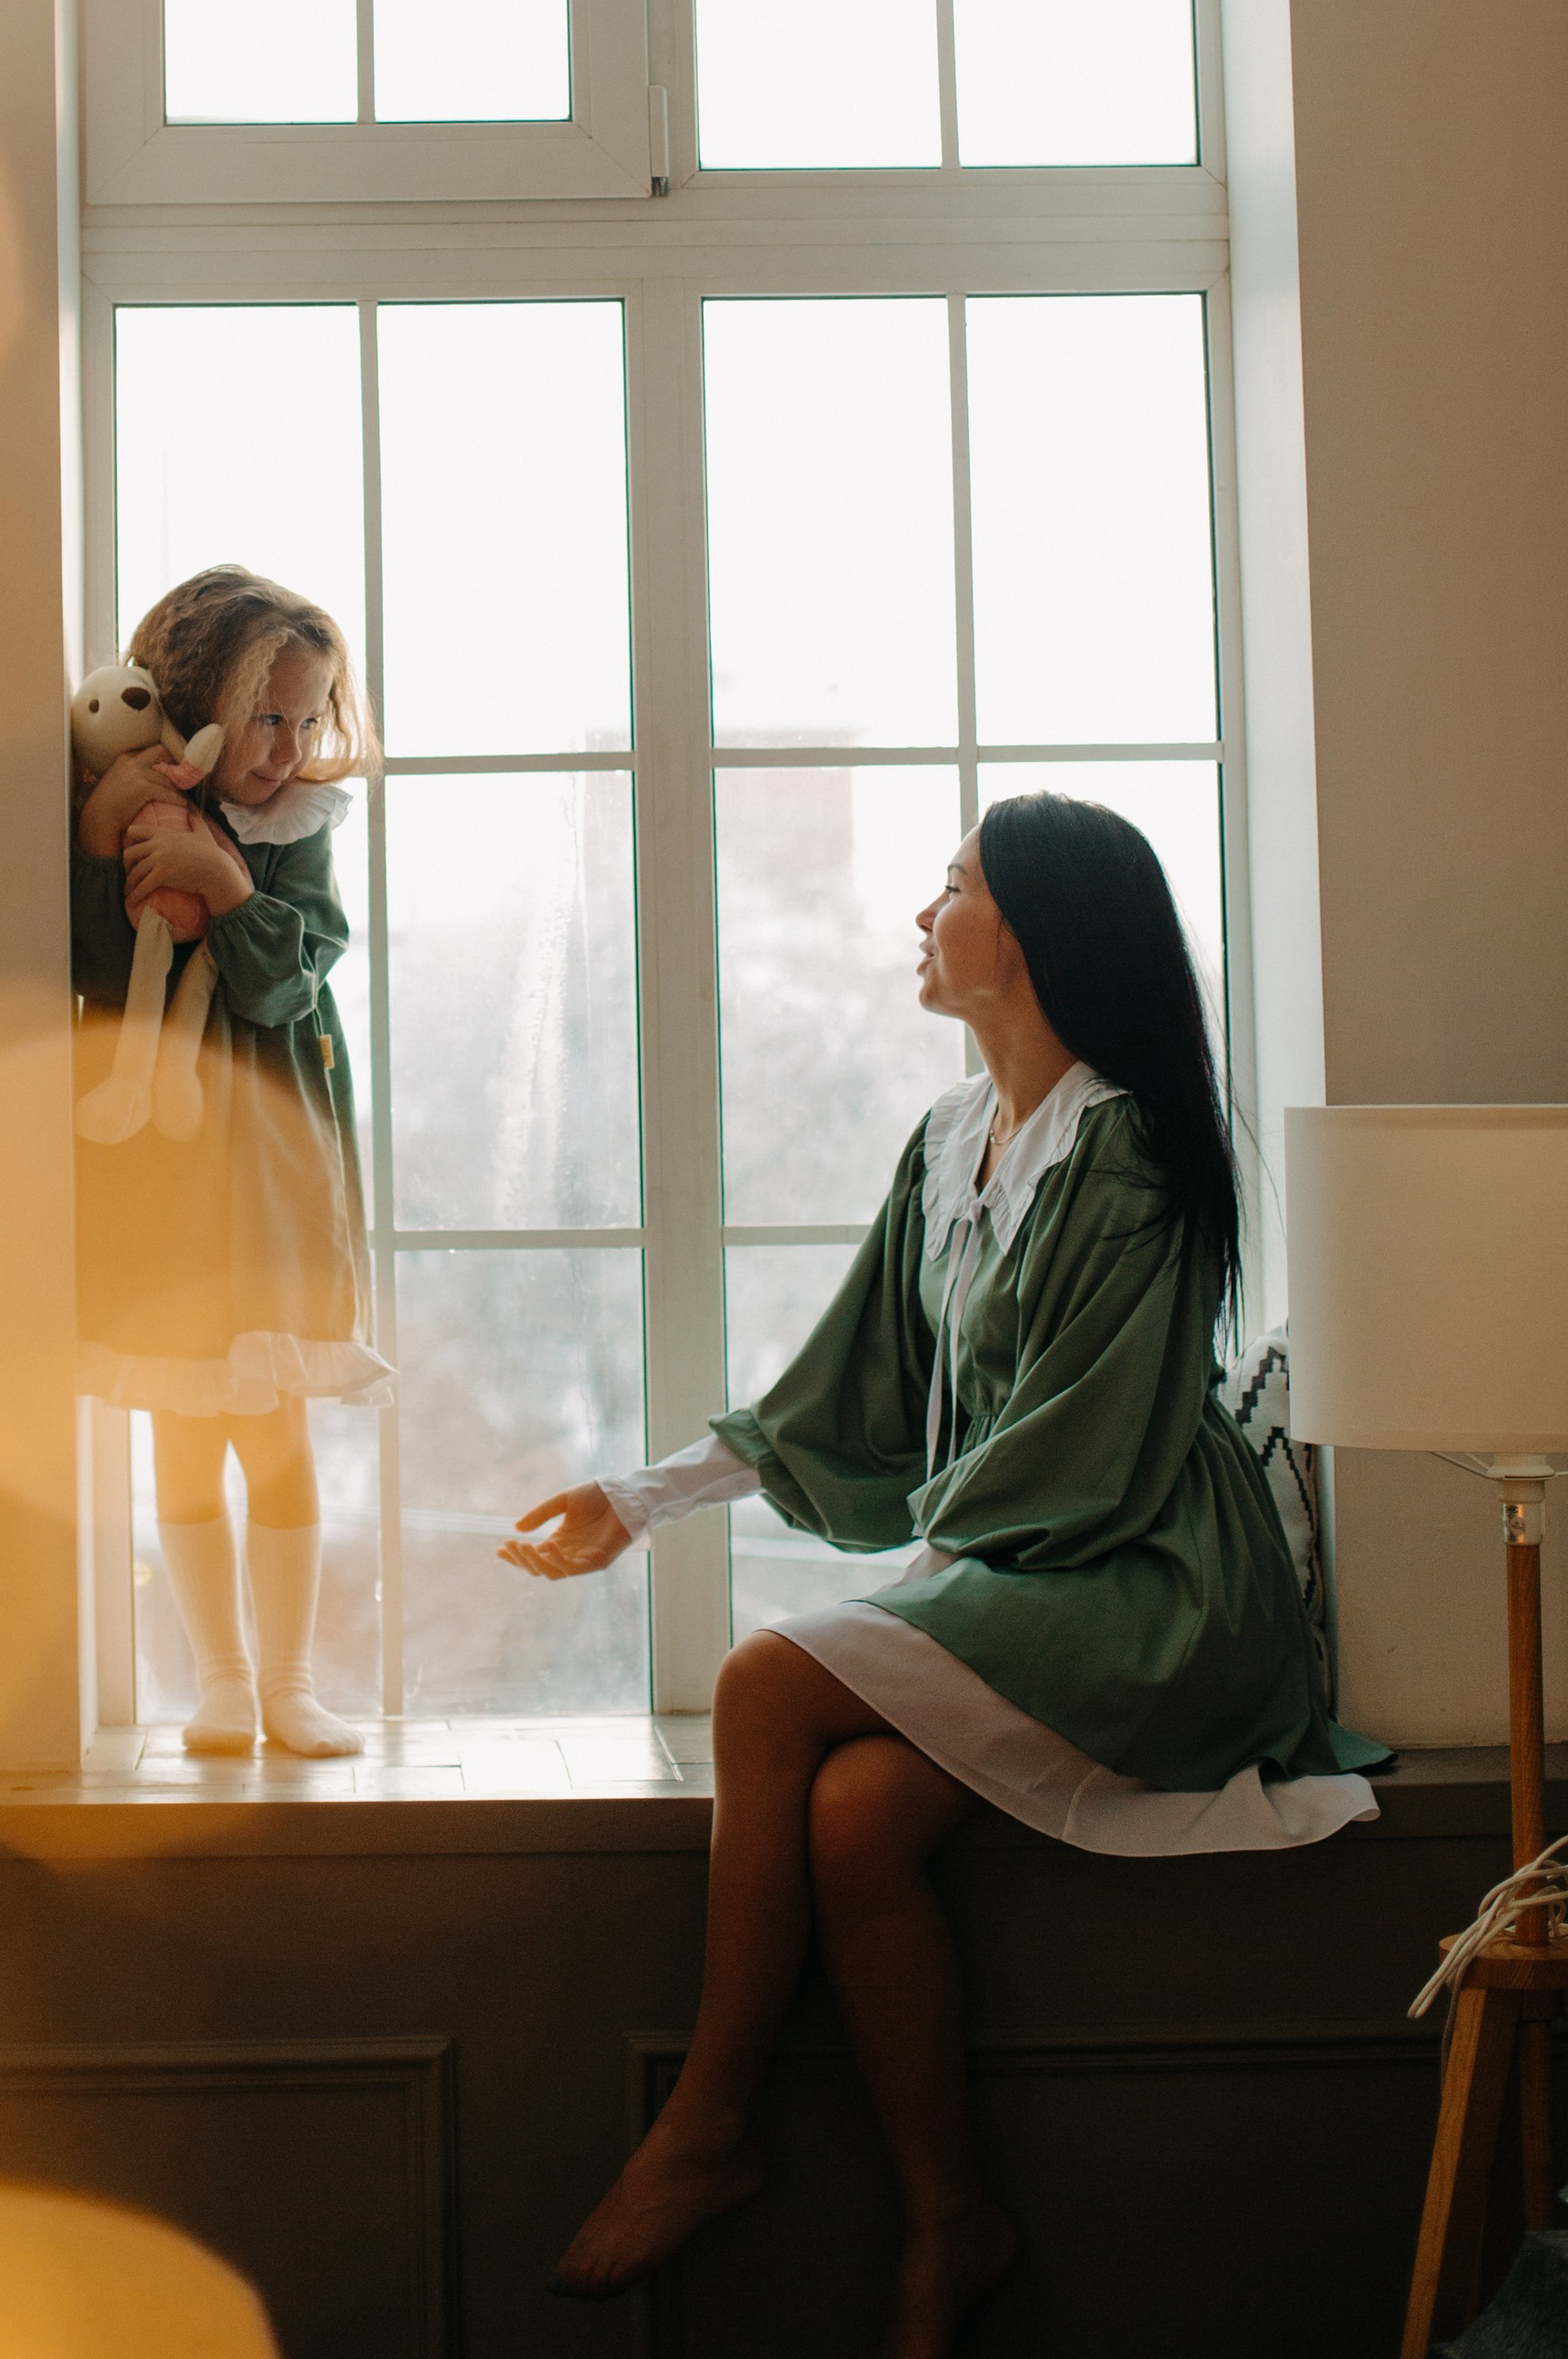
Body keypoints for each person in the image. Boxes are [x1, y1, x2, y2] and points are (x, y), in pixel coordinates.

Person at [502, 793, 1385, 2357]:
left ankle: (709, 2120)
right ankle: (951, 2221)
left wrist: (919, 1584)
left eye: (955, 886)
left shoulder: (1131, 1150)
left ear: (1031, 934)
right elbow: (851, 1389)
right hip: (1020, 1567)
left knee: (765, 1680)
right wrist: (641, 1500)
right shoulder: (949, 1149)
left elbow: (1088, 1445)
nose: (926, 914)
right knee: (850, 1824)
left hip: (1150, 1582)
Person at [71, 565, 389, 1758]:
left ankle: (290, 1684)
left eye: (308, 719)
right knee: (184, 1430)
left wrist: (230, 885)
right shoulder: (121, 804)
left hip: (270, 1174)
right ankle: (219, 1681)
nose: (289, 743)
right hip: (163, 1175)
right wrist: (125, 846)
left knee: (276, 1427)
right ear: (202, 704)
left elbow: (287, 975)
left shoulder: (296, 831)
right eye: (270, 716)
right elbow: (100, 961)